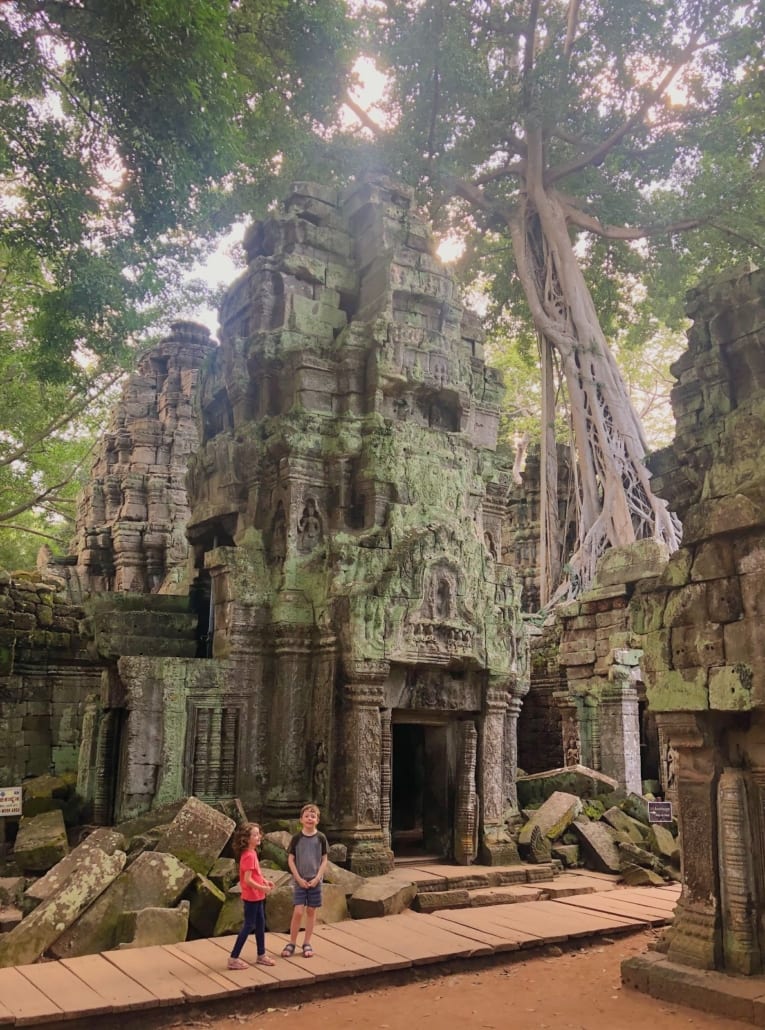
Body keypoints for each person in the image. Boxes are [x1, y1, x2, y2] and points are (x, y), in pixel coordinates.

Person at [281, 802, 328, 959]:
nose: (310, 818)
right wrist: (298, 878)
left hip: (315, 880)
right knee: (298, 911)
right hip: (300, 880)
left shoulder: (321, 838)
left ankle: (307, 942)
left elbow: (324, 860)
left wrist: (317, 878)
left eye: (313, 816)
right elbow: (290, 859)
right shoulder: (297, 838)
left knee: (311, 910)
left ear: (317, 820)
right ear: (301, 819)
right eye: (306, 816)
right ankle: (292, 942)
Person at [227, 822, 276, 970]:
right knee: (248, 925)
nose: (258, 836)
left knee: (260, 924)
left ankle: (261, 954)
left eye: (258, 833)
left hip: (257, 895)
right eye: (255, 835)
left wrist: (264, 881)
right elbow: (247, 879)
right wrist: (262, 887)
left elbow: (255, 874)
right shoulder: (248, 856)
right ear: (246, 839)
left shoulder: (252, 853)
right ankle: (233, 958)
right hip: (252, 896)